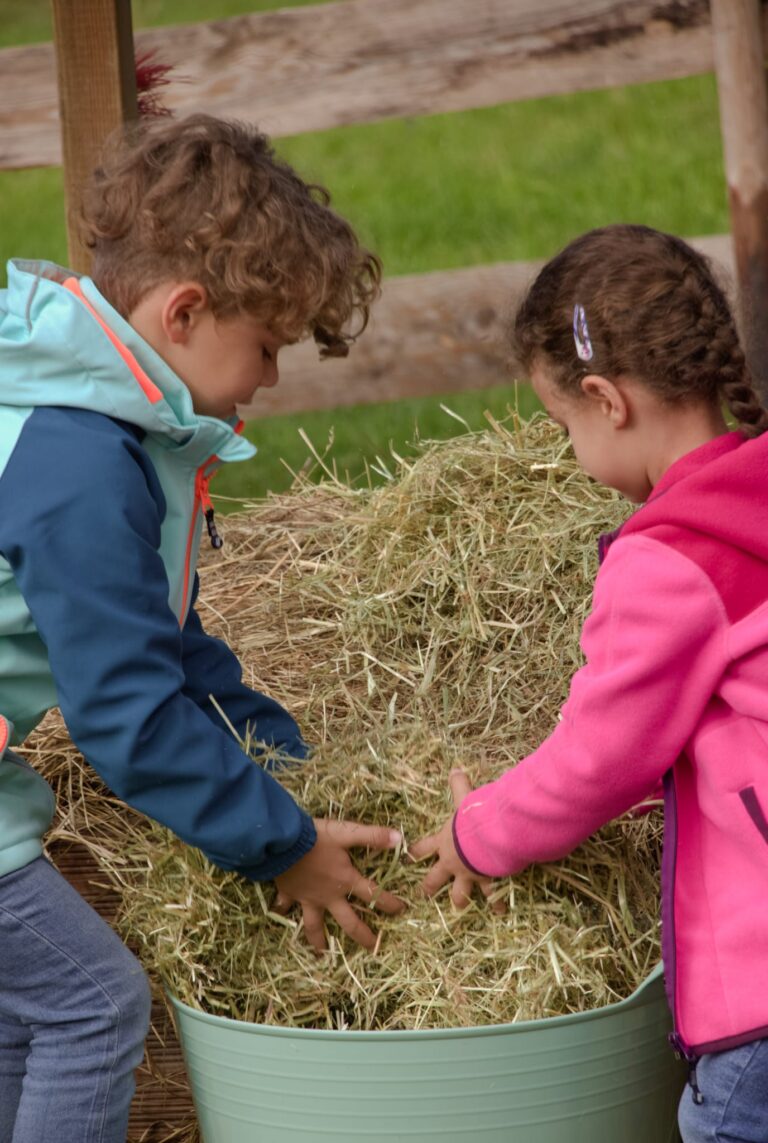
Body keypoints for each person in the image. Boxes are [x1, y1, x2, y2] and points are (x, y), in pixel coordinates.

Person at [0, 113, 403, 1143]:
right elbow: (128, 718)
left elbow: (164, 646)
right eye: (264, 347)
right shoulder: (84, 468)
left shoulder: (84, 413)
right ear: (183, 312)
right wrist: (284, 845)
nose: (269, 378)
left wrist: (290, 768)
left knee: (24, 1018)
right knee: (92, 1008)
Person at [412, 224, 768, 1143]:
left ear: (607, 400)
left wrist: (479, 832)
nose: (569, 451)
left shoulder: (670, 560)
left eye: (562, 425)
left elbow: (596, 763)